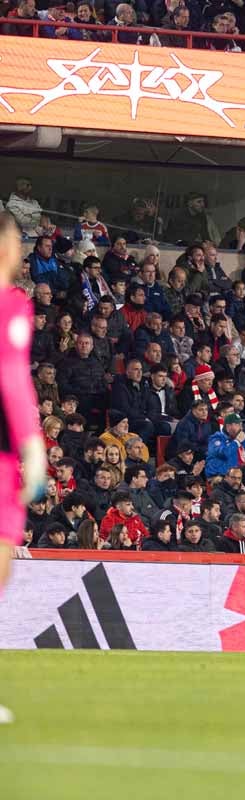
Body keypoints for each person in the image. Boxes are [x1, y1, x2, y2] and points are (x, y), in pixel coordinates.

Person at [0, 212, 46, 724]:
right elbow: (10, 377)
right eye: (15, 239)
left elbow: (13, 378)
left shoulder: (15, 304)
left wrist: (29, 444)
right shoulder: (13, 305)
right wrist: (33, 445)